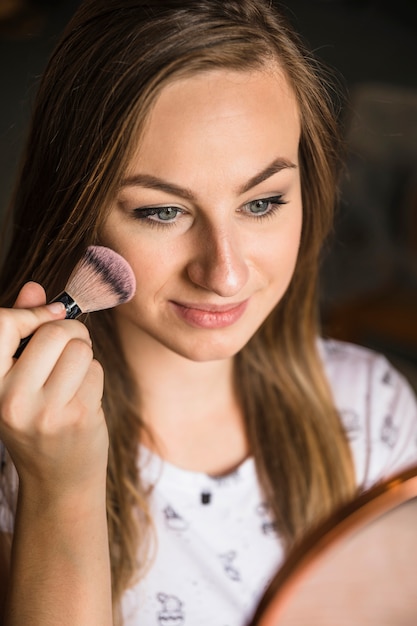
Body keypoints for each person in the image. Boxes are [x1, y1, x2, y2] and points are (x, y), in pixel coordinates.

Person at [0, 1, 416, 624]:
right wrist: (62, 490)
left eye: (263, 202)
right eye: (162, 211)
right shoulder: (17, 454)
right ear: (74, 209)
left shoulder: (373, 410)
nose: (223, 272)